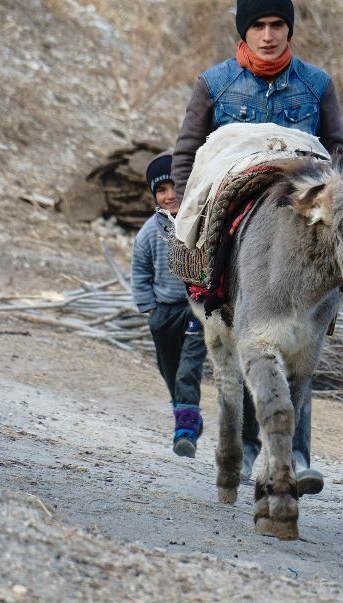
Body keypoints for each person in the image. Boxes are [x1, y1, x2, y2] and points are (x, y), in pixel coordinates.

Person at [171, 0, 343, 496]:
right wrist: (186, 208)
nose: (268, 35)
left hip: (298, 221)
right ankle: (250, 451)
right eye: (258, 26)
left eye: (277, 25)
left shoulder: (317, 85)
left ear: (289, 29)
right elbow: (190, 152)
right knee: (248, 331)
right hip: (239, 212)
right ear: (243, 31)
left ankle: (296, 454)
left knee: (303, 335)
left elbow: (337, 151)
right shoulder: (214, 84)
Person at [131, 152, 208, 458]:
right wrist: (150, 309)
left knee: (188, 369)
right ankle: (187, 414)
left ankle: (185, 431)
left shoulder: (202, 223)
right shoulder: (149, 232)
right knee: (170, 369)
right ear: (154, 196)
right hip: (163, 311)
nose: (169, 195)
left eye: (175, 187)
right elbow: (140, 271)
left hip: (196, 307)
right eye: (161, 190)